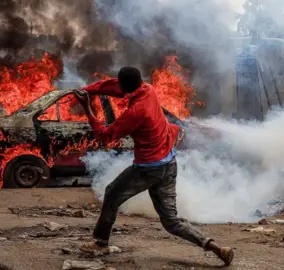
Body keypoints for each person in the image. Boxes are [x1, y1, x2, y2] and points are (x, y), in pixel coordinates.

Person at [74, 66, 234, 266]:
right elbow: (114, 86)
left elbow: (105, 137)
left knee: (112, 192)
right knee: (171, 222)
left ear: (126, 87)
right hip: (169, 162)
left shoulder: (136, 112)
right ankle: (216, 248)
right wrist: (89, 89)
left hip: (148, 169)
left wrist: (87, 107)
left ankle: (100, 242)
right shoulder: (148, 89)